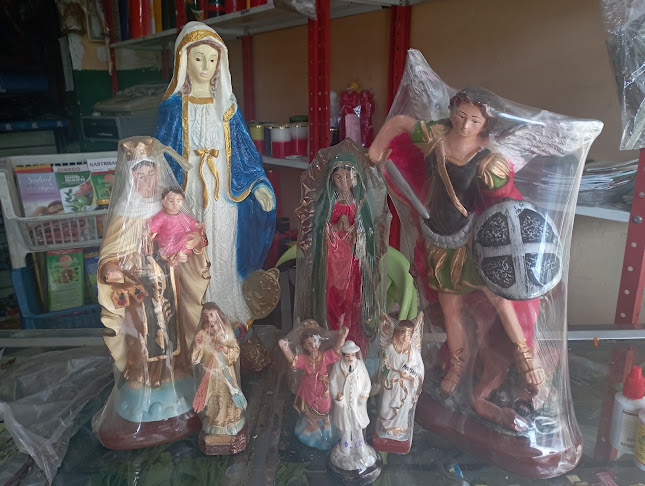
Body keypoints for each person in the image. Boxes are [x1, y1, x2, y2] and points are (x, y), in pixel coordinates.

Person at [368, 87, 544, 398]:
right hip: (439, 241)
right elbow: (400, 123)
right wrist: (376, 148)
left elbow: (508, 206)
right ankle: (457, 363)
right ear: (451, 112)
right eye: (461, 116)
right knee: (450, 308)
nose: (465, 125)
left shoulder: (488, 161)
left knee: (500, 299)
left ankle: (525, 355)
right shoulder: (434, 136)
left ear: (486, 123)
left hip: (474, 241)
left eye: (475, 120)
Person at [155, 21, 276, 332]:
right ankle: (195, 313)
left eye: (212, 59)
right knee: (192, 249)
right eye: (198, 58)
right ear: (184, 60)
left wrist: (257, 184)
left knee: (222, 247)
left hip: (223, 194)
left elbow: (245, 152)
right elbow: (162, 152)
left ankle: (226, 309)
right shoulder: (173, 107)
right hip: (188, 192)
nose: (205, 66)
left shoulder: (228, 107)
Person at [304, 152, 383, 356]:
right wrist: (334, 229)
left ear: (355, 178)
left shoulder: (360, 202)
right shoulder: (327, 202)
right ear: (331, 178)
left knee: (352, 298)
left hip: (353, 259)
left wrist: (357, 232)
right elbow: (319, 228)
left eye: (348, 177)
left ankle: (353, 340)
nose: (344, 182)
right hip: (332, 260)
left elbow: (368, 230)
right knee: (332, 298)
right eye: (338, 177)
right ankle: (331, 341)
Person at [278, 321, 349, 450]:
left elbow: (336, 350)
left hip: (323, 388)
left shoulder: (325, 357)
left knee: (325, 407)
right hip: (309, 390)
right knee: (310, 411)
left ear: (320, 342)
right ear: (304, 346)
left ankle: (327, 428)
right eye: (309, 343)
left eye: (315, 341)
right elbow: (293, 361)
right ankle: (313, 427)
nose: (313, 345)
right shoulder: (305, 360)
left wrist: (342, 337)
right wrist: (285, 348)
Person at [192, 302, 248, 453]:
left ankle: (230, 420)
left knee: (228, 394)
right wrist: (198, 345)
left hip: (225, 372)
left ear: (217, 314)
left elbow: (235, 350)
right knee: (213, 397)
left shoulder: (226, 331)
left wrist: (225, 350)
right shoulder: (203, 333)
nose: (209, 319)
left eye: (212, 314)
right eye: (206, 316)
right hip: (210, 373)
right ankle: (215, 420)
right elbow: (196, 358)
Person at [375, 315, 424, 446]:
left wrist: (409, 375)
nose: (404, 338)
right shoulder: (390, 349)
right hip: (391, 382)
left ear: (411, 336)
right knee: (386, 406)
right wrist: (385, 377)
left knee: (403, 407)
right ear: (397, 334)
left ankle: (400, 427)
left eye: (408, 335)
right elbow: (385, 364)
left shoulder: (413, 352)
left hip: (406, 385)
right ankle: (386, 425)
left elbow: (419, 370)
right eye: (402, 334)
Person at [329, 340, 371, 456]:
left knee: (357, 426)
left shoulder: (360, 365)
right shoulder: (338, 366)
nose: (350, 358)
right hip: (344, 403)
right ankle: (345, 447)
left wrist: (364, 394)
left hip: (357, 403)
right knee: (345, 426)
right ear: (343, 355)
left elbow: (366, 382)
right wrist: (338, 398)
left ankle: (360, 446)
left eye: (352, 355)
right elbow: (332, 383)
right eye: (347, 356)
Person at [148, 187, 205, 266]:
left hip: (181, 239)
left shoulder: (183, 216)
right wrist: (148, 232)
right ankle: (173, 258)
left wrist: (197, 225)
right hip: (168, 242)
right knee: (183, 239)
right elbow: (152, 227)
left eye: (178, 201)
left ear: (183, 202)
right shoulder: (162, 216)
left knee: (187, 237)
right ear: (163, 202)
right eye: (171, 201)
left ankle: (182, 255)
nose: (175, 204)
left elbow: (191, 223)